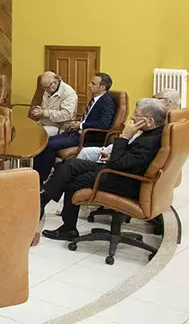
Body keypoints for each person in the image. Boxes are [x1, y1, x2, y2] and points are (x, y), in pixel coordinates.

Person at [41, 98, 167, 240]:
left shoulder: (149, 142)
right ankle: (44, 199)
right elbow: (129, 159)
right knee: (71, 164)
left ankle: (66, 227)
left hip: (125, 181)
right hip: (119, 170)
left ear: (149, 121)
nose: (131, 117)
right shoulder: (154, 133)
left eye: (136, 114)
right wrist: (113, 156)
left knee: (74, 181)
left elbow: (119, 164)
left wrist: (124, 136)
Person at [32, 72, 115, 185]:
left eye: (93, 83)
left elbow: (104, 125)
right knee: (45, 141)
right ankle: (36, 177)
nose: (89, 85)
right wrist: (77, 123)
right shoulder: (96, 98)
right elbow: (88, 119)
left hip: (87, 136)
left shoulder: (107, 101)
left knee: (50, 145)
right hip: (77, 131)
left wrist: (81, 125)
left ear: (102, 87)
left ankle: (39, 180)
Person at [78, 88, 181, 163]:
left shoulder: (157, 123)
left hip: (122, 154)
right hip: (123, 149)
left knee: (84, 155)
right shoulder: (172, 121)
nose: (152, 100)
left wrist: (125, 136)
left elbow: (126, 159)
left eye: (155, 98)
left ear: (167, 102)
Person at [30, 72, 78, 137]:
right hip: (43, 123)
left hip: (59, 127)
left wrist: (44, 113)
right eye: (44, 88)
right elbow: (45, 108)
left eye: (47, 87)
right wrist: (39, 110)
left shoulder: (68, 93)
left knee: (35, 135)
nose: (46, 90)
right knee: (27, 132)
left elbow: (66, 115)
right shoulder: (49, 89)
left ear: (55, 82)